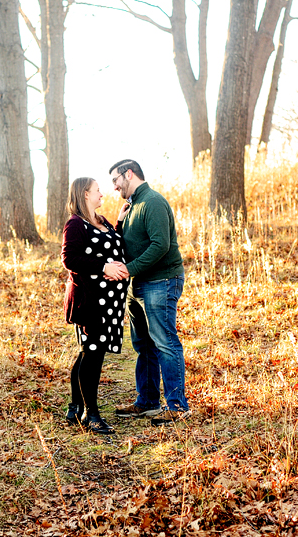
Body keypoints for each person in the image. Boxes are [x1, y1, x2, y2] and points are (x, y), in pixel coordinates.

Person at [108, 159, 189, 426]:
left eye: (115, 180)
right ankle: (147, 402)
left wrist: (128, 269)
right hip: (139, 285)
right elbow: (125, 243)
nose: (114, 186)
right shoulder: (132, 206)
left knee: (165, 342)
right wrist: (119, 223)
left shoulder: (152, 201)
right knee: (144, 345)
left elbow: (160, 245)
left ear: (128, 174)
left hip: (161, 281)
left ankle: (178, 407)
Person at [61, 177, 130, 434]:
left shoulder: (101, 221)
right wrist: (103, 268)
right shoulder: (76, 224)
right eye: (97, 190)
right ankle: (91, 415)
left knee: (88, 353)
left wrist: (120, 222)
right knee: (92, 354)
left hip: (109, 301)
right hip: (90, 300)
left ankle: (75, 406)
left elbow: (114, 247)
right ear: (85, 194)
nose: (102, 194)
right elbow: (70, 259)